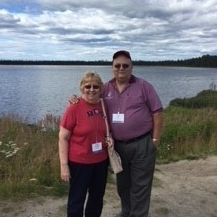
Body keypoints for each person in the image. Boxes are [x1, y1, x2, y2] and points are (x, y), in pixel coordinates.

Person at [69, 50, 164, 217]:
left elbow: (157, 112)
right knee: (123, 185)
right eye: (117, 65)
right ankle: (126, 213)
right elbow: (90, 97)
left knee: (140, 186)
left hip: (141, 144)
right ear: (112, 68)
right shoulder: (106, 88)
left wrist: (155, 139)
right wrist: (75, 99)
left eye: (125, 65)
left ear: (132, 67)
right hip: (117, 147)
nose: (121, 68)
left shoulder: (144, 86)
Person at [58, 71, 113, 217]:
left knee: (96, 199)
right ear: (82, 88)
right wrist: (64, 165)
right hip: (79, 163)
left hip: (101, 162)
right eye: (88, 86)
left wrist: (110, 138)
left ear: (101, 88)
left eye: (95, 86)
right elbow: (63, 138)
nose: (91, 90)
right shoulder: (74, 108)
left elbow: (106, 129)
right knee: (77, 200)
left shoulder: (103, 105)